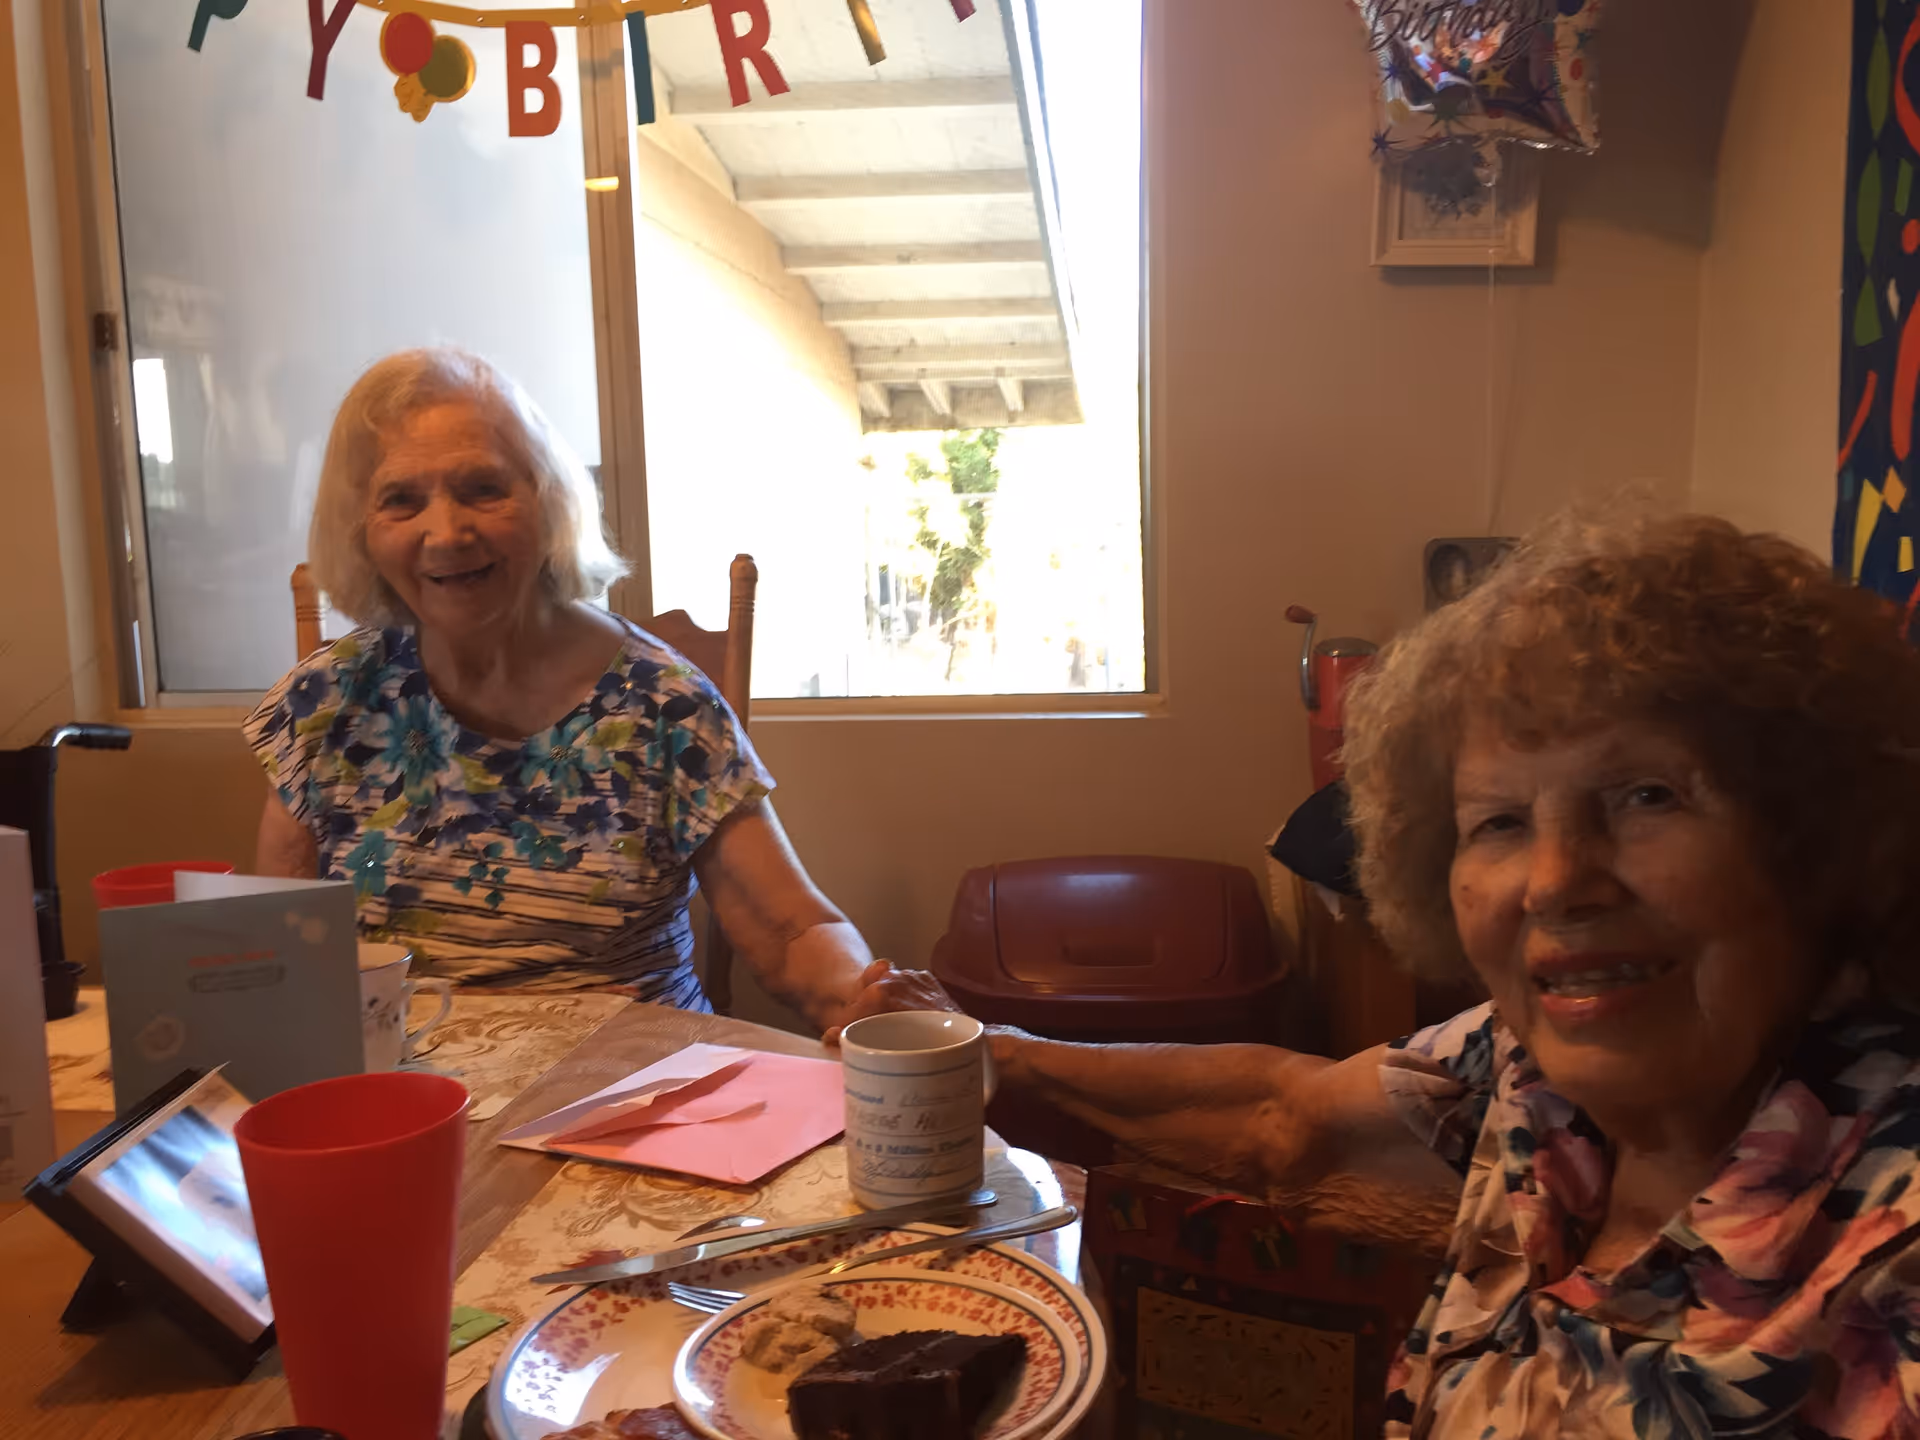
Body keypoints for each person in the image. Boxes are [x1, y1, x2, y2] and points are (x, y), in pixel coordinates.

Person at [988, 514, 1920, 1436]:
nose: (1555, 882)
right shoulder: (1524, 1064)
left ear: (1814, 836)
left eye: (1648, 796)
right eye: (1500, 822)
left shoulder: (1894, 1260)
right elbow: (1285, 1120)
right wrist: (992, 1058)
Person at [247, 347, 941, 1035]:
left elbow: (791, 933)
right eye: (401, 499)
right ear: (361, 530)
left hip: (631, 1097)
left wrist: (861, 997)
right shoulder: (328, 702)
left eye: (482, 488)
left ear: (548, 501)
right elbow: (285, 954)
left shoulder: (662, 703)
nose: (447, 532)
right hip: (404, 1098)